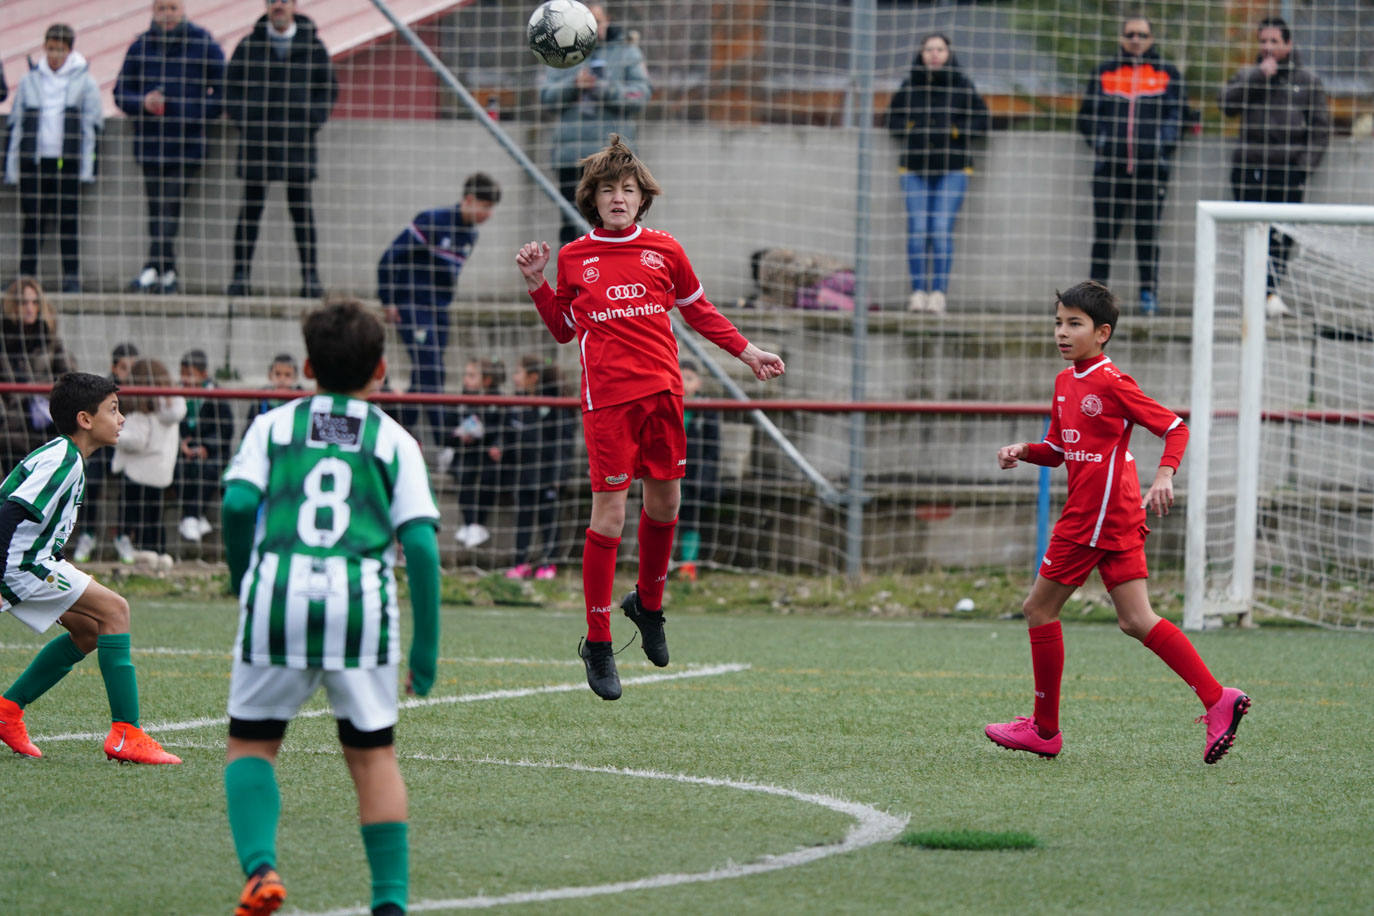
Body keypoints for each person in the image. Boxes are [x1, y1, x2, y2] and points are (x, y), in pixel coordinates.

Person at [515, 134, 786, 701]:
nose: (619, 197)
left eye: (628, 189)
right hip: (608, 400)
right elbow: (566, 330)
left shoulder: (665, 250)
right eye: (608, 189)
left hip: (663, 393)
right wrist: (539, 283)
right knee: (610, 513)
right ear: (592, 199)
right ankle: (597, 638)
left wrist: (749, 352)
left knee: (666, 503)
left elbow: (700, 312)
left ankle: (649, 604)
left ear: (642, 199)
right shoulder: (574, 256)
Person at [220, 296, 440, 916]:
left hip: (277, 594)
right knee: (372, 758)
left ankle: (262, 871)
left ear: (309, 368)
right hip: (360, 606)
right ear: (380, 369)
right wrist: (425, 649)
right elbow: (421, 546)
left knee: (252, 745)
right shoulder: (393, 440)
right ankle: (389, 904)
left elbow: (237, 507)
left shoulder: (273, 425)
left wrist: (245, 580)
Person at [985, 280, 1250, 765]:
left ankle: (1044, 730)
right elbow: (1061, 451)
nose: (1062, 332)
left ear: (1102, 332)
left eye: (1075, 324)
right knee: (1135, 619)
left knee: (1039, 609)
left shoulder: (1111, 381)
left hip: (1096, 514)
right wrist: (1024, 451)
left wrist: (1164, 475)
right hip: (1113, 511)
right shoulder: (1066, 382)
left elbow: (1174, 427)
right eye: (1058, 323)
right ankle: (1218, 698)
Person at [0, 371, 181, 764]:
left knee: (89, 630)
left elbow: (38, 527)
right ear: (85, 419)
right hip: (18, 565)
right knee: (116, 610)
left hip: (31, 561)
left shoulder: (70, 459)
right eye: (113, 410)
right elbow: (8, 512)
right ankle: (126, 732)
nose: (121, 419)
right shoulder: (63, 460)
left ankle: (8, 711)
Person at [224, 0, 339, 299]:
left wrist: (309, 121)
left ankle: (311, 278)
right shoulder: (249, 46)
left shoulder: (313, 47)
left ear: (294, 6)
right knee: (250, 210)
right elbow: (230, 88)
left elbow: (328, 90)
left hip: (296, 142)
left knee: (301, 212)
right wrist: (246, 121)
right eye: (274, 1)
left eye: (284, 1)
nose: (279, 6)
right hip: (257, 143)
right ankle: (240, 277)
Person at [377, 172, 501, 445]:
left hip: (439, 311)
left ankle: (398, 434)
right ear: (469, 200)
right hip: (413, 306)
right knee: (432, 369)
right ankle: (445, 442)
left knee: (426, 374)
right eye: (486, 206)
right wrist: (388, 299)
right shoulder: (432, 221)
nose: (489, 214)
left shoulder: (470, 235)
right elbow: (389, 258)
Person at [1220, 16, 1331, 318]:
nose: (1268, 47)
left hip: (1287, 172)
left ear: (1288, 44)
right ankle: (1258, 295)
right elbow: (1226, 106)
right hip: (1249, 169)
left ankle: (1270, 292)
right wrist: (1258, 77)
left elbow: (1321, 129)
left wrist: (1302, 168)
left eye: (1274, 41)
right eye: (1263, 41)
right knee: (1252, 233)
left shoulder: (1307, 81)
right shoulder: (1247, 74)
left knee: (1282, 236)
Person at [114, 0, 227, 295]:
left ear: (183, 10)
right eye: (162, 8)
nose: (167, 15)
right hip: (151, 142)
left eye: (172, 8)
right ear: (153, 11)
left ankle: (157, 268)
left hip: (187, 143)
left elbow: (224, 91)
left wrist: (191, 111)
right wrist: (143, 102)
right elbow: (121, 92)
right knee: (157, 208)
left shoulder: (202, 43)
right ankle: (164, 272)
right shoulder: (140, 46)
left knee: (169, 206)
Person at [1076, 16, 1183, 318]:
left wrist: (1161, 146)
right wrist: (1102, 143)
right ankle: (1094, 300)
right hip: (1109, 170)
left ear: (1151, 39)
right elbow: (1086, 115)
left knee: (1147, 235)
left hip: (1151, 171)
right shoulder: (1105, 72)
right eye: (1130, 34)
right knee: (1103, 235)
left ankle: (1149, 294)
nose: (1136, 39)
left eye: (1142, 34)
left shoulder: (1166, 73)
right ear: (1122, 38)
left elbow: (1178, 114)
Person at [884, 32, 989, 315]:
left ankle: (938, 294)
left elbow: (982, 119)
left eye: (939, 49)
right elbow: (891, 119)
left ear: (948, 53)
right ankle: (918, 292)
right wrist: (912, 129)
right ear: (920, 54)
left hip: (953, 168)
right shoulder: (910, 85)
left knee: (941, 229)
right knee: (918, 230)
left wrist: (955, 131)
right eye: (928, 49)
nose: (934, 54)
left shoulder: (962, 85)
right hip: (914, 168)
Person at [539, 4, 652, 247]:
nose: (593, 28)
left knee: (615, 223)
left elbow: (640, 96)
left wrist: (604, 88)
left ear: (607, 21)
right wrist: (574, 85)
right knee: (572, 225)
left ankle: (613, 280)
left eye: (597, 22)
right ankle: (573, 282)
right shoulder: (559, 50)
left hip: (613, 157)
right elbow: (546, 97)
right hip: (572, 156)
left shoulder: (627, 52)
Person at [4, 24, 104, 294]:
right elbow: (17, 122)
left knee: (68, 219)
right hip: (35, 162)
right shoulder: (31, 79)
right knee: (32, 219)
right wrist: (12, 166)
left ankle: (71, 275)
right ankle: (25, 277)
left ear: (69, 50)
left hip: (66, 162)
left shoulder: (84, 81)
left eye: (60, 50)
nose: (55, 55)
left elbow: (91, 126)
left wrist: (87, 167)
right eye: (50, 49)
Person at [503, 355, 575, 580]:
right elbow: (510, 435)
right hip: (524, 472)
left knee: (548, 518)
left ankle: (547, 563)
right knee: (523, 518)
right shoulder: (518, 403)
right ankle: (521, 562)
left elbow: (563, 444)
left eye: (518, 372)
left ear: (533, 377)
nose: (514, 377)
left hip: (549, 474)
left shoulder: (557, 406)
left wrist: (558, 476)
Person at [110, 358, 186, 565]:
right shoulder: (171, 413)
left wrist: (114, 435)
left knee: (136, 514)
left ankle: (140, 551)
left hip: (138, 472)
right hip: (161, 473)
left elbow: (137, 441)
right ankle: (160, 554)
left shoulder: (142, 414)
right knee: (154, 517)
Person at [71, 342, 141, 563]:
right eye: (124, 368)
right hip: (105, 449)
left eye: (133, 368)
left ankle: (124, 536)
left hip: (130, 451)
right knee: (91, 481)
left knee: (133, 484)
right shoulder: (103, 393)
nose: (128, 373)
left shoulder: (141, 394)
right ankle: (88, 534)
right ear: (114, 368)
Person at [0, 278, 74, 472]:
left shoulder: (50, 340)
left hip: (45, 424)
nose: (30, 308)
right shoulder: (3, 341)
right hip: (11, 431)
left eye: (34, 302)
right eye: (23, 302)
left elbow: (67, 377)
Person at [174, 348, 235, 543]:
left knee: (207, 470)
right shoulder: (176, 396)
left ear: (204, 375)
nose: (185, 379)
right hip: (184, 451)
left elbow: (226, 429)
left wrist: (207, 446)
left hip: (212, 451)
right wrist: (181, 444)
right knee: (178, 470)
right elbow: (174, 425)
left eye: (190, 375)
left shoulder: (216, 396)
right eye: (183, 374)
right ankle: (194, 517)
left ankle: (191, 516)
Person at [447, 358, 506, 549]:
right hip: (466, 454)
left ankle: (477, 523)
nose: (466, 379)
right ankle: (469, 522)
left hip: (490, 456)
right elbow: (449, 428)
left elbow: (503, 429)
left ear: (486, 381)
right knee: (463, 474)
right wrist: (460, 435)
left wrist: (490, 439)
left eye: (471, 375)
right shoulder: (462, 400)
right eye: (466, 375)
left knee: (488, 477)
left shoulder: (498, 400)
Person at [676, 360, 720, 583]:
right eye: (680, 376)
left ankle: (688, 564)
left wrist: (706, 476)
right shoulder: (665, 405)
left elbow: (713, 449)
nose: (684, 383)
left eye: (689, 378)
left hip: (693, 475)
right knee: (660, 518)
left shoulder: (706, 412)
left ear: (699, 383)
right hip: (667, 471)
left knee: (690, 519)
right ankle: (659, 567)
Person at [245, 352, 301, 423]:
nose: (282, 379)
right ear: (270, 376)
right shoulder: (260, 401)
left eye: (287, 375)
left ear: (295, 377)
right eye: (277, 374)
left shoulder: (302, 402)